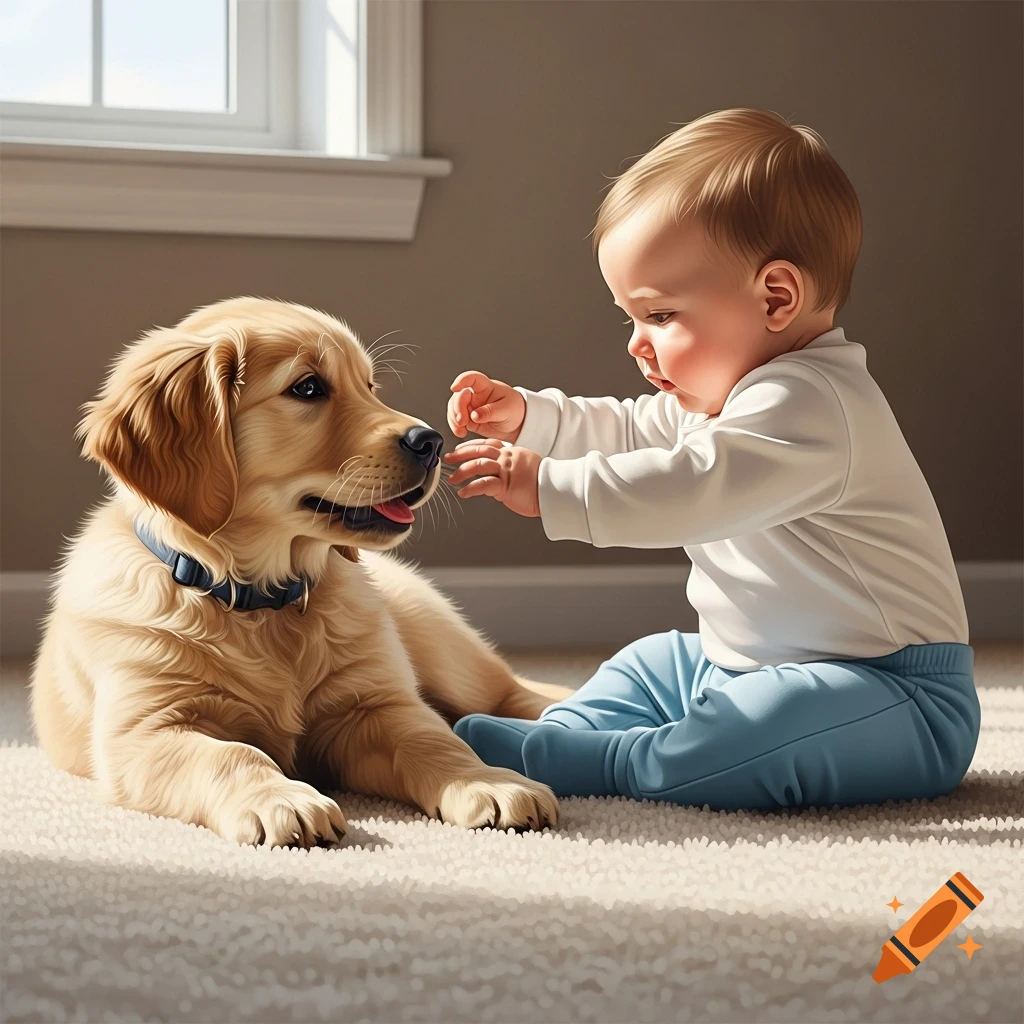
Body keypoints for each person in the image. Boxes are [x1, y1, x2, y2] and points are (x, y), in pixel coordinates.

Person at [442, 108, 980, 811]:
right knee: (651, 664)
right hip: (733, 666)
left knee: (760, 734)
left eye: (660, 317)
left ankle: (623, 762)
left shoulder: (813, 405)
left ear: (776, 297)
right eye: (629, 318)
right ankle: (566, 730)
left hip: (891, 692)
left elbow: (693, 485)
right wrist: (532, 418)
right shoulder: (722, 399)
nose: (637, 343)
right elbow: (632, 432)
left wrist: (551, 487)